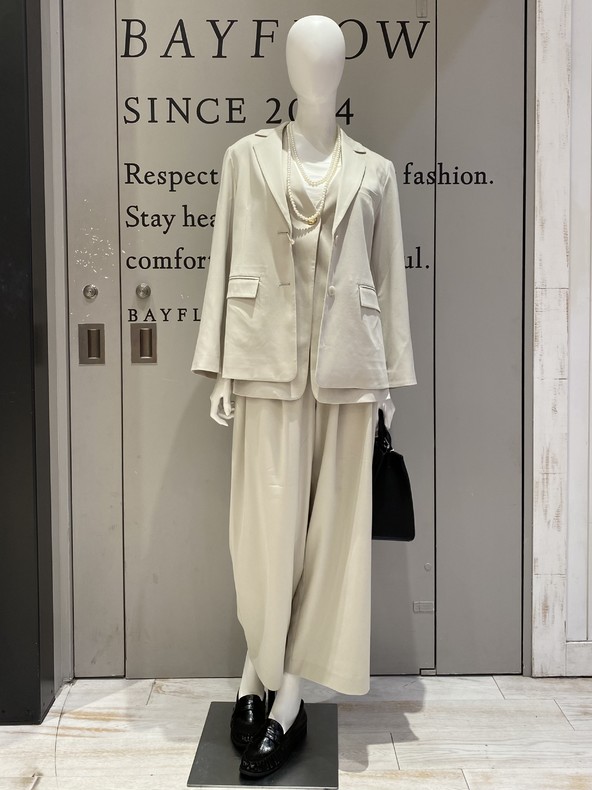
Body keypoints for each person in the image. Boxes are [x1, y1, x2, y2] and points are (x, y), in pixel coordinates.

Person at [191, 14, 416, 779]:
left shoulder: (376, 171)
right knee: (264, 537)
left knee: (333, 544)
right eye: (303, 57)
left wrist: (387, 381)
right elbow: (224, 259)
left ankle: (284, 700)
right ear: (288, 67)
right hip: (264, 367)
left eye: (328, 58)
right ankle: (253, 676)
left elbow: (389, 280)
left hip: (349, 377)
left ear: (343, 68)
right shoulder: (246, 158)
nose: (316, 69)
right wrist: (221, 369)